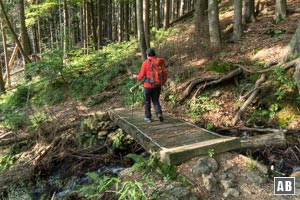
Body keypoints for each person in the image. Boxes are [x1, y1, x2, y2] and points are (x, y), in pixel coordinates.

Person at [133, 48, 164, 123]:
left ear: (147, 55)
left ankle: (148, 117)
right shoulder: (159, 62)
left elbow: (141, 76)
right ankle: (159, 113)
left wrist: (135, 76)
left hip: (148, 86)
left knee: (147, 101)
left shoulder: (145, 63)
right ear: (154, 54)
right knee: (156, 100)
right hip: (157, 85)